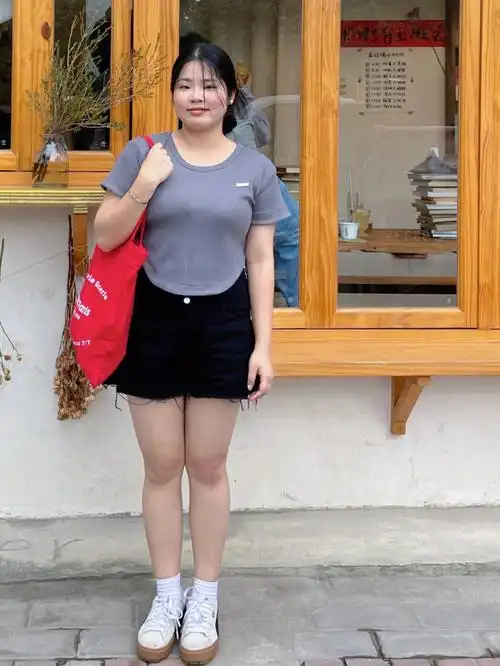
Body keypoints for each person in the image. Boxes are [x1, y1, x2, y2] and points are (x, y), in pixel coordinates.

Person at [93, 41, 288, 665]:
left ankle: (204, 597)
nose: (197, 96)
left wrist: (264, 346)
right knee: (160, 467)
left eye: (210, 85)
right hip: (153, 319)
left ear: (230, 95)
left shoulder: (255, 168)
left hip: (222, 323)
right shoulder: (144, 153)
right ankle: (165, 596)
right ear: (173, 93)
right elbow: (104, 234)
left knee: (207, 465)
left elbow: (261, 258)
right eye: (185, 85)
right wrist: (144, 186)